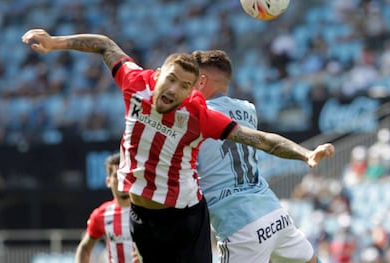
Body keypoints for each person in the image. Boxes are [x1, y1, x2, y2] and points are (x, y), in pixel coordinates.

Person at [22, 29, 335, 263]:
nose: (174, 90)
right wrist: (55, 42)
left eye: (185, 86)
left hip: (187, 216)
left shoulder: (199, 116)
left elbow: (261, 139)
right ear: (157, 75)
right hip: (143, 215)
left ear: (192, 92)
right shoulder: (135, 83)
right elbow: (104, 45)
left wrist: (305, 153)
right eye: (171, 79)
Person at [193, 49, 326, 263]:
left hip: (239, 226)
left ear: (201, 81)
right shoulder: (248, 110)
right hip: (274, 215)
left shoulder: (196, 115)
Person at [75, 153, 138, 263]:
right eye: (117, 176)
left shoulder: (147, 211)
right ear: (108, 181)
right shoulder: (101, 215)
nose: (122, 180)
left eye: (125, 175)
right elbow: (84, 248)